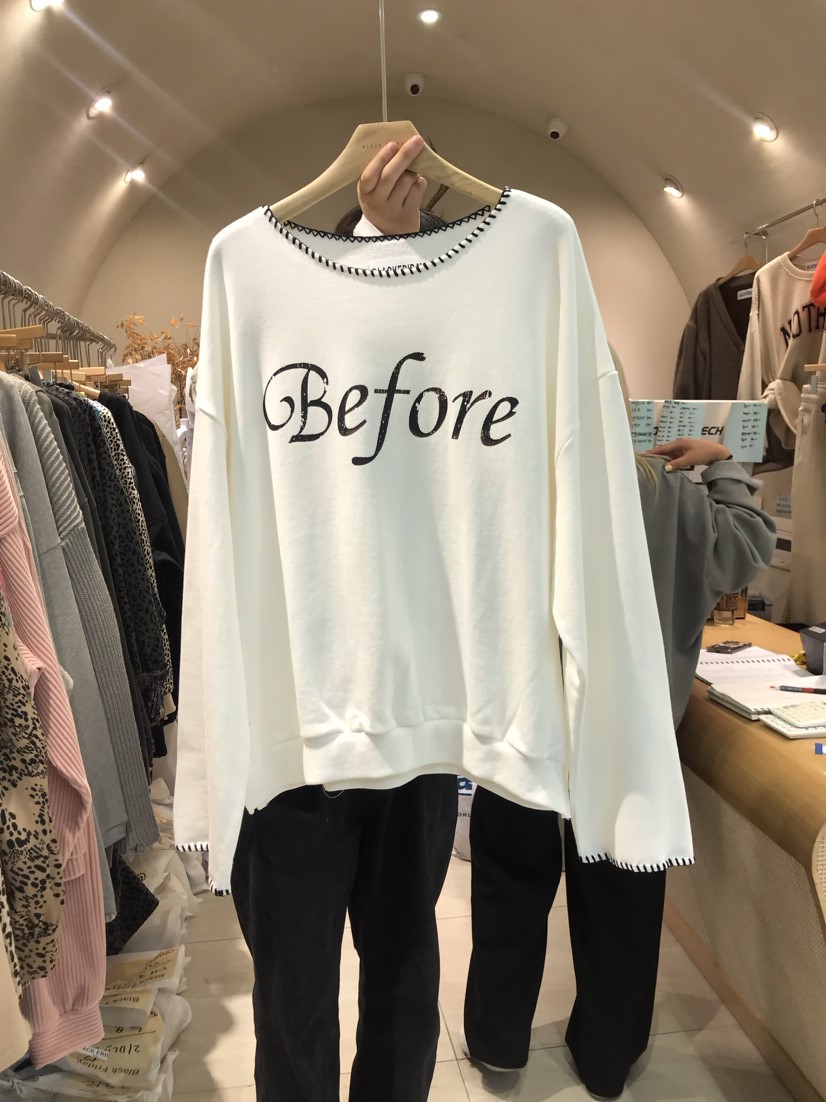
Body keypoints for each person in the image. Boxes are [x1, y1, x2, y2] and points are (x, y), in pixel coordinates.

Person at [231, 137, 456, 1102]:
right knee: (295, 981)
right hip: (298, 715)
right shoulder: (270, 310)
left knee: (403, 967)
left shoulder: (462, 338)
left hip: (417, 711)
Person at [461, 435, 776, 1099]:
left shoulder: (506, 476)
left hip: (522, 721)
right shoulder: (663, 493)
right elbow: (747, 548)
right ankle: (607, 1057)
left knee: (509, 884)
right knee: (622, 901)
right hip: (629, 731)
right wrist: (721, 461)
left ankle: (497, 1040)